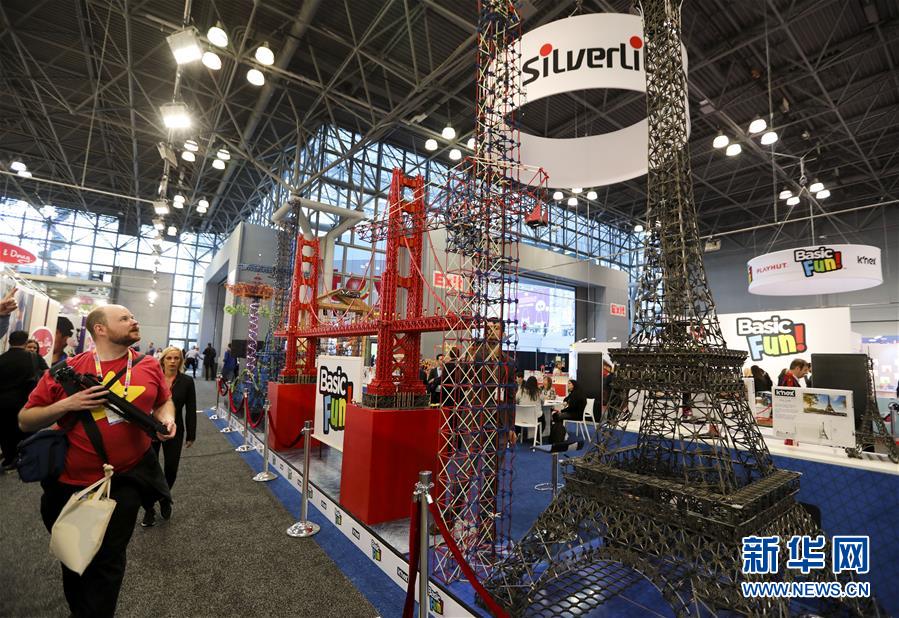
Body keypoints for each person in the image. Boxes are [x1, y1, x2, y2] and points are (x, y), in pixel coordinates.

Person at [18, 304, 176, 618]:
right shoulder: (66, 370)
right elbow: (25, 420)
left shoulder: (147, 365)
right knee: (75, 559)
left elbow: (164, 400)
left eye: (133, 317)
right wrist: (68, 404)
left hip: (125, 480)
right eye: (125, 318)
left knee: (108, 563)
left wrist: (167, 418)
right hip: (70, 485)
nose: (134, 321)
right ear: (100, 329)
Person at [142, 347, 196, 527]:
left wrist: (191, 434)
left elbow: (191, 409)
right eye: (169, 358)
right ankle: (149, 508)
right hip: (150, 428)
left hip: (175, 430)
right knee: (149, 469)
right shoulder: (153, 378)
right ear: (163, 360)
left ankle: (164, 498)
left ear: (181, 361)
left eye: (176, 358)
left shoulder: (187, 381)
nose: (173, 361)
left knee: (171, 468)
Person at [0, 330, 41, 469]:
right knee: (24, 429)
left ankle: (9, 458)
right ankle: (24, 457)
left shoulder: (2, 358)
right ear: (25, 342)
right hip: (24, 400)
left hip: (3, 402)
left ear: (10, 342)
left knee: (5, 431)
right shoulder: (32, 357)